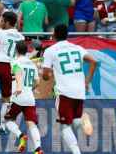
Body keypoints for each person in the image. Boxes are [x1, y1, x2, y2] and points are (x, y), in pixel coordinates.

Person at [42, 24, 97, 154]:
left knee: (65, 126)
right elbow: (94, 61)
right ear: (67, 35)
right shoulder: (77, 48)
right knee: (75, 121)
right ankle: (82, 118)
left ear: (54, 34)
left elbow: (45, 76)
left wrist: (48, 74)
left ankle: (76, 151)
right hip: (79, 91)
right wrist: (87, 81)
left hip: (64, 91)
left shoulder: (50, 50)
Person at [4, 41, 44, 154]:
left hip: (17, 96)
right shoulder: (32, 64)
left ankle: (21, 136)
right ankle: (38, 149)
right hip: (30, 98)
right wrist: (29, 89)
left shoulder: (15, 62)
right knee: (31, 124)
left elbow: (17, 73)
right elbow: (37, 81)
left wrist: (20, 87)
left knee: (7, 121)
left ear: (16, 51)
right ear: (26, 51)